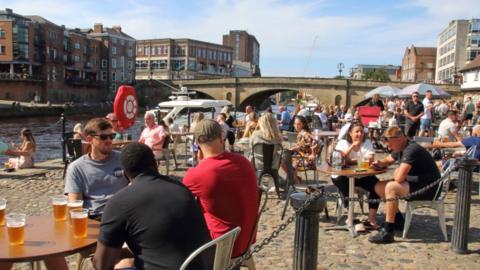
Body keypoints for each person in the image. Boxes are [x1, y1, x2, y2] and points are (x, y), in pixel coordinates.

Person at [93, 143, 212, 270]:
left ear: (125, 174)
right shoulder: (181, 188)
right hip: (206, 265)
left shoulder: (119, 202)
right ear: (155, 164)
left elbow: (102, 265)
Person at [183, 119, 259, 258]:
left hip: (219, 247)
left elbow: (179, 202)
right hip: (245, 240)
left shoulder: (196, 174)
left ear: (197, 143)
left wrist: (201, 163)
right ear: (221, 138)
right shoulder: (244, 162)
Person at [368, 126, 440, 244]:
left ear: (399, 139)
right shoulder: (401, 146)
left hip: (428, 188)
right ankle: (398, 220)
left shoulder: (411, 149)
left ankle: (388, 231)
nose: (388, 146)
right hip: (416, 183)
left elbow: (399, 178)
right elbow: (389, 159)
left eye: (390, 143)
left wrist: (397, 171)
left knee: (391, 187)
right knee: (379, 186)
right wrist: (380, 163)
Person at [64, 117, 129, 219]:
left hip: (123, 214)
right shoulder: (76, 168)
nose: (109, 140)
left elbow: (138, 185)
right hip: (95, 216)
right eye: (103, 137)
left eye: (111, 136)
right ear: (89, 139)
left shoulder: (123, 159)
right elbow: (74, 206)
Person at [332, 122, 380, 228]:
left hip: (362, 175)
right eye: (356, 131)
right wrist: (352, 147)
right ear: (350, 133)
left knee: (377, 186)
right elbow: (340, 159)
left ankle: (371, 219)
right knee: (343, 183)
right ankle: (350, 215)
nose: (359, 134)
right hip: (343, 176)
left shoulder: (367, 142)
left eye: (361, 131)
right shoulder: (343, 142)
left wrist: (351, 161)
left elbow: (370, 159)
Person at [284, 115, 321, 183]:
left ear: (303, 124)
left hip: (307, 160)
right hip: (301, 157)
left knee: (286, 162)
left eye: (298, 124)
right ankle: (295, 179)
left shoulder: (305, 134)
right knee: (285, 160)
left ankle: (295, 181)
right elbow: (301, 146)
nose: (296, 126)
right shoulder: (301, 133)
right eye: (295, 124)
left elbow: (316, 143)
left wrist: (313, 154)